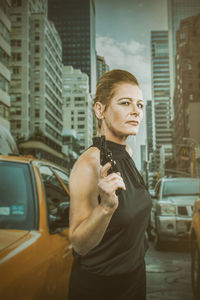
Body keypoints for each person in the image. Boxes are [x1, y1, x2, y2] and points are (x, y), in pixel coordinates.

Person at [68, 69, 152, 300]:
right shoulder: (88, 165)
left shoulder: (127, 153)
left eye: (140, 105)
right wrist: (105, 208)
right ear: (99, 109)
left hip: (135, 280)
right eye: (125, 103)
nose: (136, 111)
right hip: (100, 289)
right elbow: (80, 245)